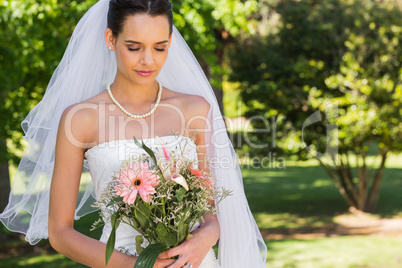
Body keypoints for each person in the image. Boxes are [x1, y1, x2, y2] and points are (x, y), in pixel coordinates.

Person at [0, 0, 267, 267]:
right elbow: (60, 233)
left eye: (159, 47)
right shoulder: (80, 119)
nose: (148, 60)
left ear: (170, 42)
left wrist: (204, 238)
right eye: (134, 47)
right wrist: (137, 265)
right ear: (110, 38)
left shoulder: (195, 110)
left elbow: (211, 211)